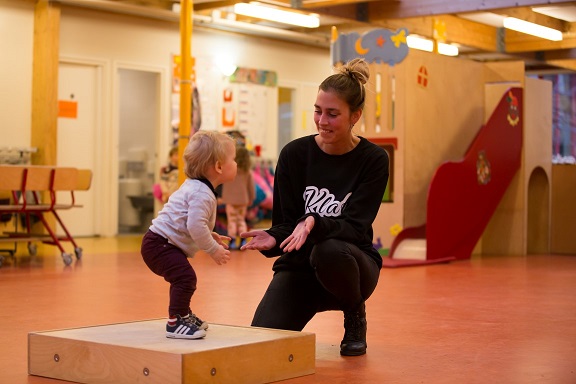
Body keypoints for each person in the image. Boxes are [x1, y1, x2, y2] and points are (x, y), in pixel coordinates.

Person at [240, 58, 389, 356]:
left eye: (333, 114)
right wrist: (273, 237)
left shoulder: (374, 160)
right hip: (300, 270)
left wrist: (314, 223)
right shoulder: (294, 154)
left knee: (329, 249)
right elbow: (286, 221)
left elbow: (356, 227)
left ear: (355, 116)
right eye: (318, 111)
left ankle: (354, 315)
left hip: (351, 268)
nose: (322, 121)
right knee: (258, 345)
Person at [141, 131, 237, 339]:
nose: (236, 163)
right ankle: (175, 322)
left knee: (183, 278)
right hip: (159, 245)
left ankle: (183, 314)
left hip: (160, 243)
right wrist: (213, 249)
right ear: (219, 167)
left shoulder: (198, 188)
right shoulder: (202, 193)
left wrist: (210, 234)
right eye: (233, 159)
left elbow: (190, 221)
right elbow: (194, 225)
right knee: (185, 278)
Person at [220, 145, 256, 250]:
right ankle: (243, 240)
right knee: (241, 220)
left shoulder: (229, 170)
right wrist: (251, 199)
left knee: (231, 220)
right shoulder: (248, 172)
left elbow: (223, 182)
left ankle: (232, 240)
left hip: (230, 200)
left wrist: (221, 196)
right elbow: (251, 188)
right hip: (243, 200)